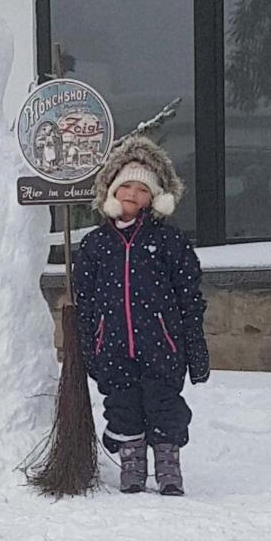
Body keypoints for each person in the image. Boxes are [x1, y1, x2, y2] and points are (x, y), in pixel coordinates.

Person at [73, 136, 209, 496]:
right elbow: (84, 303)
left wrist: (195, 349)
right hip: (113, 346)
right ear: (111, 192)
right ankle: (132, 464)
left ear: (156, 198)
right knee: (122, 405)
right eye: (125, 186)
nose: (132, 194)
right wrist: (90, 345)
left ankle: (168, 465)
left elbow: (189, 299)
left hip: (162, 345)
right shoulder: (95, 246)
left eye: (142, 189)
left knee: (164, 404)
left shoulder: (169, 242)